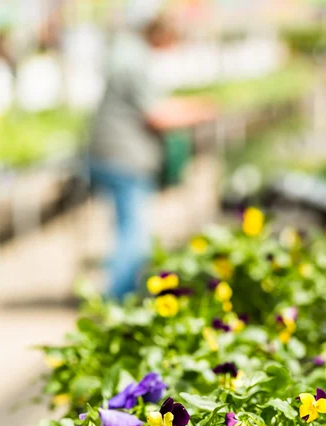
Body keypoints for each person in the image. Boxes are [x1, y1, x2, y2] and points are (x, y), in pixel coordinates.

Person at [89, 0, 216, 300]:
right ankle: (117, 301)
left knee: (125, 229)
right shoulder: (132, 60)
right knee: (133, 236)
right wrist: (199, 110)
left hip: (115, 154)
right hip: (123, 158)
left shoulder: (129, 53)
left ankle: (118, 297)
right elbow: (157, 114)